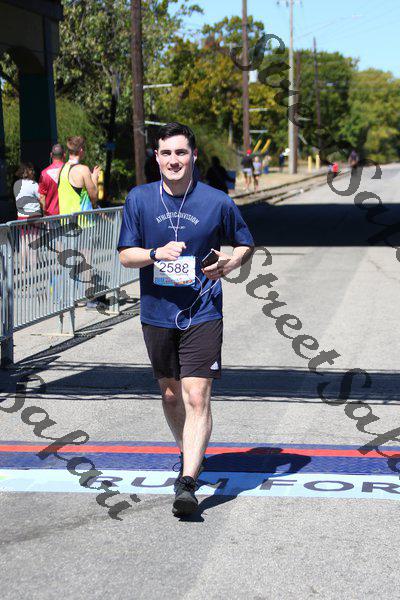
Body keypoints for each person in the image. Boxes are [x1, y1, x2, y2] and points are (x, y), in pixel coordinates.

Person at [117, 122, 254, 516]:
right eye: (166, 153)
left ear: (193, 155)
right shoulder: (139, 199)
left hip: (202, 310)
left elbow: (245, 243)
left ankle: (188, 482)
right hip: (157, 312)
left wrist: (229, 264)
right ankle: (190, 452)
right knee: (171, 395)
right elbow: (125, 255)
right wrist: (155, 254)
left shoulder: (216, 201)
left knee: (196, 395)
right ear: (156, 157)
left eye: (180, 152)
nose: (173, 160)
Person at [58, 136, 101, 309]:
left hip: (65, 222)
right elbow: (93, 195)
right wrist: (94, 177)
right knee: (86, 259)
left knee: (70, 260)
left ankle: (68, 298)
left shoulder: (62, 169)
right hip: (83, 223)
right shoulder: (83, 169)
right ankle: (90, 298)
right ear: (81, 150)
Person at [38, 143, 65, 217]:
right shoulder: (69, 171)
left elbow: (42, 197)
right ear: (64, 155)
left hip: (50, 216)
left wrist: (44, 215)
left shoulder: (44, 173)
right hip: (67, 215)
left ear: (51, 155)